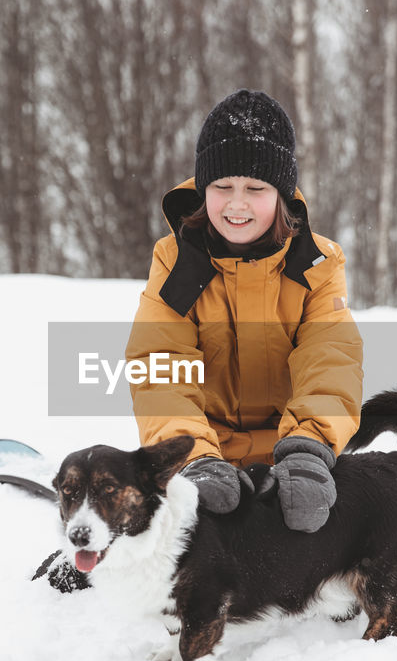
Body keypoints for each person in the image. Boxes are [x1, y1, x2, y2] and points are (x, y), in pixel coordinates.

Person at [38, 89, 363, 592]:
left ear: (281, 193)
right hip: (204, 458)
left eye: (255, 187)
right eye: (222, 185)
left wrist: (309, 448)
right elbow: (160, 364)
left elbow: (330, 360)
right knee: (180, 550)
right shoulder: (176, 260)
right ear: (203, 187)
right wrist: (194, 459)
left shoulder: (317, 265)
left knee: (315, 541)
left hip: (291, 455)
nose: (236, 204)